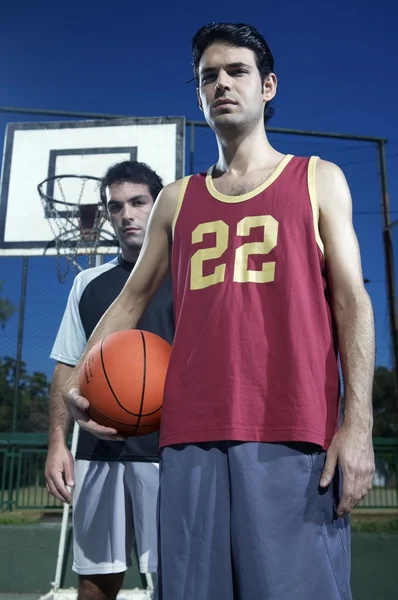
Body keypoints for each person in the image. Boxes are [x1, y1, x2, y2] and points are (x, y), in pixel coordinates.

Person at [63, 22, 376, 600]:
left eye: (237, 71)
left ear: (268, 87)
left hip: (293, 429)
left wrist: (358, 424)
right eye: (209, 76)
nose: (222, 84)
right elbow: (131, 299)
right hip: (188, 437)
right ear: (199, 95)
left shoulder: (317, 179)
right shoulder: (176, 199)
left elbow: (352, 301)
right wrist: (82, 382)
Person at [45, 160, 173, 600]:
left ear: (160, 207)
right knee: (96, 582)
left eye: (139, 202)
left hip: (171, 451)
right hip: (99, 451)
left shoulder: (191, 277)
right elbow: (66, 366)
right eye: (116, 207)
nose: (127, 215)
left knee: (180, 578)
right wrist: (58, 445)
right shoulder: (88, 282)